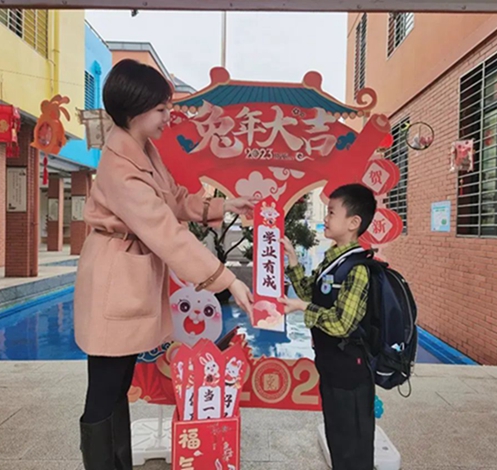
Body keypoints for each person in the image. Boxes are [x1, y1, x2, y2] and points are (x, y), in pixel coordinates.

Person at [73, 59, 254, 470]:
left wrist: (226, 205)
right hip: (115, 279)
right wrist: (227, 280)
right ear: (134, 111)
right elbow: (165, 231)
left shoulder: (142, 150)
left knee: (117, 384)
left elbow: (173, 200)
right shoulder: (120, 166)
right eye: (160, 109)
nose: (167, 117)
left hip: (126, 275)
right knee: (104, 389)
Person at [279, 183, 377, 470]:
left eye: (332, 212)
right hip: (333, 367)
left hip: (351, 375)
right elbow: (311, 293)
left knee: (352, 449)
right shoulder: (333, 261)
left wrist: (302, 308)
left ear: (353, 223)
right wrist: (292, 258)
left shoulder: (358, 269)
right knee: (338, 440)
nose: (326, 218)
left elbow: (341, 324)